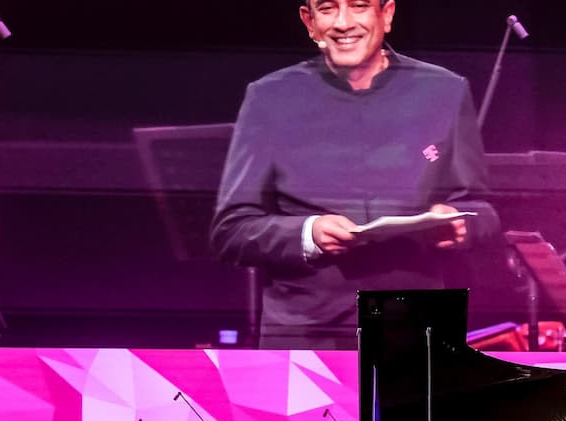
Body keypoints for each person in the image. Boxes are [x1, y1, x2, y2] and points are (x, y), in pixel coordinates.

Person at [211, 0, 501, 349]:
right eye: (328, 9)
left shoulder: (445, 91)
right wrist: (308, 233)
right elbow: (231, 230)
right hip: (305, 336)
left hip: (413, 330)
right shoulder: (269, 96)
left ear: (387, 15)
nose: (344, 23)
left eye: (359, 6)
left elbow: (483, 212)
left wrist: (458, 222)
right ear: (310, 22)